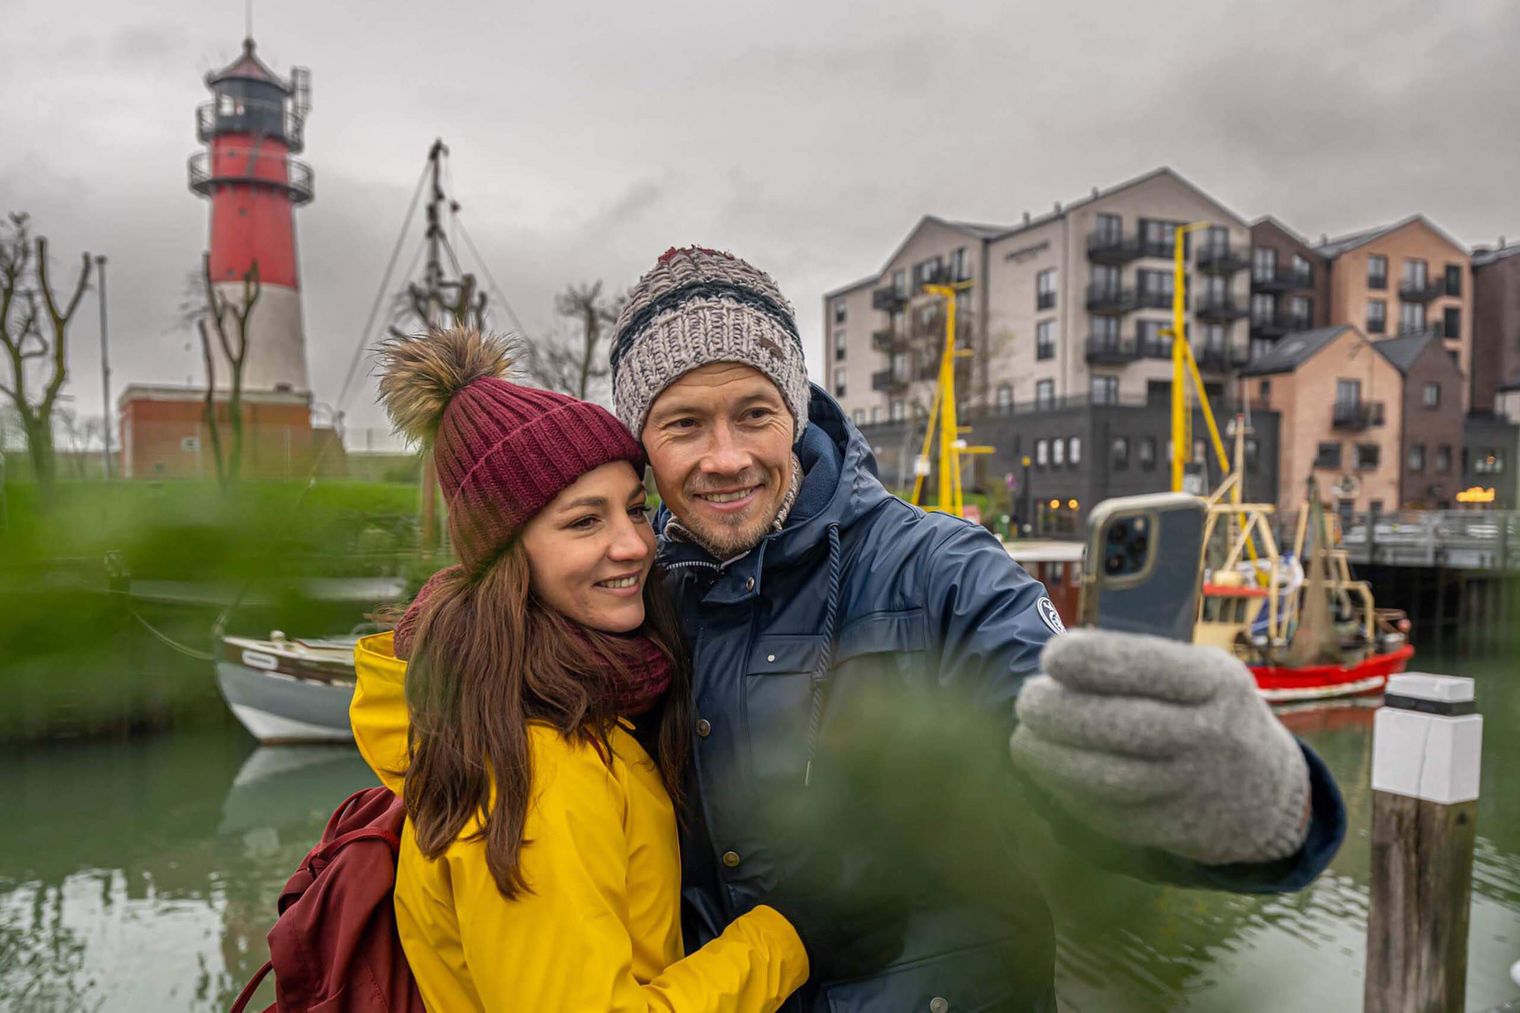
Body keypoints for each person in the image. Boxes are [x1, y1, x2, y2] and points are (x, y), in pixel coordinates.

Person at [606, 246, 1347, 1011]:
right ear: (642, 445)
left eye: (753, 414)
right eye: (685, 424)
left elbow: (1053, 742)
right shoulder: (631, 594)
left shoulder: (941, 569)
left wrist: (1257, 807)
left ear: (792, 412)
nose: (726, 458)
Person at [348, 325, 810, 1012]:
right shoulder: (540, 763)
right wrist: (783, 939)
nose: (633, 545)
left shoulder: (552, 701)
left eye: (634, 509)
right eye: (583, 522)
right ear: (510, 555)